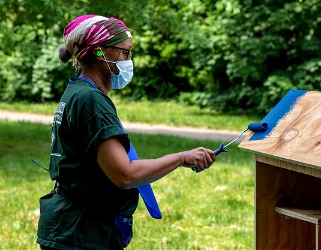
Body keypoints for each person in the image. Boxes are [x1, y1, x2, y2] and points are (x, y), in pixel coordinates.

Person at [36, 14, 216, 249]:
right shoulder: (90, 100)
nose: (127, 60)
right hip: (80, 233)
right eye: (124, 52)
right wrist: (182, 158)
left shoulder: (78, 92)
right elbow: (125, 175)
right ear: (100, 52)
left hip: (76, 227)